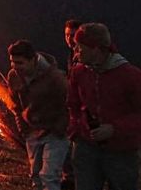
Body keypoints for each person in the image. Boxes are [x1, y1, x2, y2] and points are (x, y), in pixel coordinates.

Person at [68, 23, 141, 190]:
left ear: (95, 48)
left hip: (120, 152)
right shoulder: (79, 72)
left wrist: (114, 129)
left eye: (80, 47)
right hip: (86, 149)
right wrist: (76, 132)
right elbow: (73, 104)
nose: (76, 51)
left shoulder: (130, 75)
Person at [7, 39, 70, 190]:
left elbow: (69, 104)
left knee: (49, 176)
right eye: (12, 62)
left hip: (54, 133)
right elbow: (15, 104)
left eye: (20, 63)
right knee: (36, 175)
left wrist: (60, 129)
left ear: (33, 60)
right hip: (32, 131)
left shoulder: (54, 78)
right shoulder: (14, 76)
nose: (15, 67)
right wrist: (23, 128)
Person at [62, 18, 83, 190]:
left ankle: (74, 178)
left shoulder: (83, 54)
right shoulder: (71, 54)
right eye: (67, 35)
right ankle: (70, 178)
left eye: (72, 34)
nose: (69, 38)